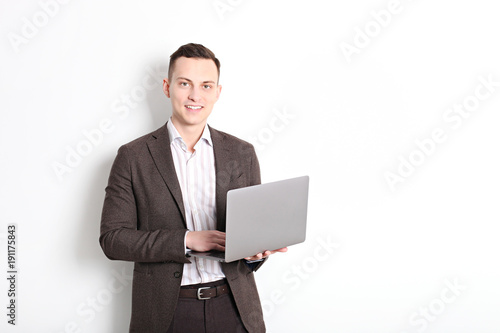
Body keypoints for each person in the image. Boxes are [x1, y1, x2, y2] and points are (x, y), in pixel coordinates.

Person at [99, 43, 286, 333]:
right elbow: (113, 239)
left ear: (217, 92)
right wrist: (186, 240)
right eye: (185, 83)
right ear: (167, 86)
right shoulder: (132, 157)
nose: (195, 95)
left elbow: (249, 242)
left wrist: (254, 253)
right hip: (167, 314)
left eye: (206, 85)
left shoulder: (242, 153)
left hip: (235, 309)